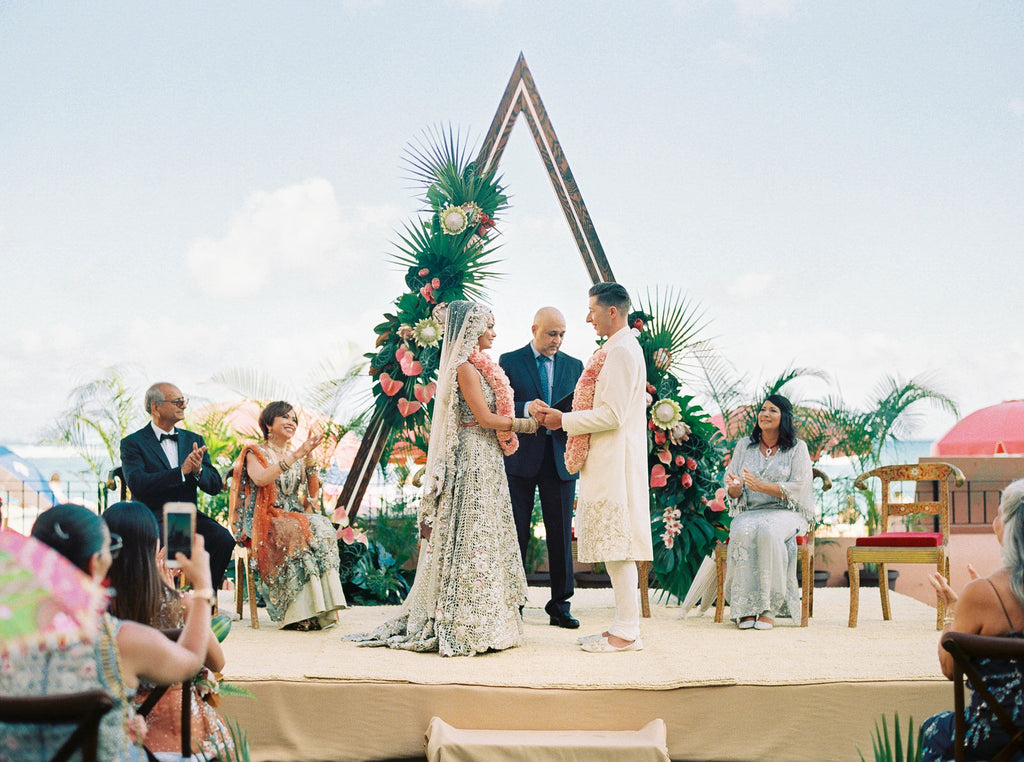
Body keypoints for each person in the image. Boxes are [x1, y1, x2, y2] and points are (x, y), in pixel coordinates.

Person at [348, 301, 533, 656]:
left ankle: (490, 615)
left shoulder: (480, 366)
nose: (494, 333)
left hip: (488, 457)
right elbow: (485, 418)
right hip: (473, 456)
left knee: (487, 531)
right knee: (472, 529)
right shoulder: (464, 368)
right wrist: (528, 425)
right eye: (489, 326)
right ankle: (464, 618)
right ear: (472, 329)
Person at [0, 503, 215, 761]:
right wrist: (202, 588)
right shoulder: (120, 640)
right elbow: (191, 660)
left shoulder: (7, 635)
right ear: (97, 563)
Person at [536, 282, 652, 653]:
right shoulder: (620, 348)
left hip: (614, 461)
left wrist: (563, 420)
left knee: (619, 547)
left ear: (612, 312)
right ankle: (622, 625)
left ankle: (627, 630)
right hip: (610, 458)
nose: (588, 318)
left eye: (592, 310)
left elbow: (613, 414)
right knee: (615, 547)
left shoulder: (620, 353)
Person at [104, 500, 234, 761]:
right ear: (155, 547)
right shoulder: (181, 604)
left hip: (123, 742)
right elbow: (218, 662)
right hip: (185, 741)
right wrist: (179, 595)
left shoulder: (98, 611)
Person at [919, 479, 1024, 761]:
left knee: (934, 729)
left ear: (1010, 528)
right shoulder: (983, 593)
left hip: (996, 735)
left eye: (999, 513)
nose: (994, 521)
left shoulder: (980, 594)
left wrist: (954, 611)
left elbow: (949, 668)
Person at [499, 306, 584, 630]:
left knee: (561, 534)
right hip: (520, 457)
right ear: (534, 328)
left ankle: (560, 605)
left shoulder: (575, 366)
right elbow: (500, 404)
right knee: (515, 532)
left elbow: (581, 409)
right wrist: (524, 407)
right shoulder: (510, 360)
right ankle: (513, 603)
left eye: (562, 334)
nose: (557, 340)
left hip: (561, 460)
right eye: (552, 333)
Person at [228, 401, 346, 630]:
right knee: (294, 530)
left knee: (322, 527)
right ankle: (295, 614)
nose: (291, 422)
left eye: (294, 419)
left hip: (292, 515)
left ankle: (321, 610)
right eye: (285, 417)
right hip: (264, 521)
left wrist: (309, 458)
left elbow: (311, 493)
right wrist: (297, 455)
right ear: (268, 424)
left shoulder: (297, 457)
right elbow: (261, 479)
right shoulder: (255, 452)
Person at [120, 382, 235, 591]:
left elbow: (215, 485)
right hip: (154, 517)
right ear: (155, 407)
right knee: (174, 539)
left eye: (184, 401)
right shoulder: (133, 443)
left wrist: (199, 470)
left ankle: (203, 599)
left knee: (223, 539)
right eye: (177, 401)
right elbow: (137, 484)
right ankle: (165, 600)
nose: (183, 405)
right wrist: (181, 472)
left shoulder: (193, 440)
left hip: (188, 516)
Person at [722, 394, 815, 630]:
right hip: (751, 511)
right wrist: (735, 489)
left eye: (773, 410)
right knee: (742, 530)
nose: (765, 414)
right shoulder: (744, 445)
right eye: (763, 410)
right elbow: (732, 484)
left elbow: (800, 487)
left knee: (768, 532)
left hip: (787, 513)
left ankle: (769, 607)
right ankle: (744, 607)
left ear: (784, 417)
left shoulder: (797, 448)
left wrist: (761, 486)